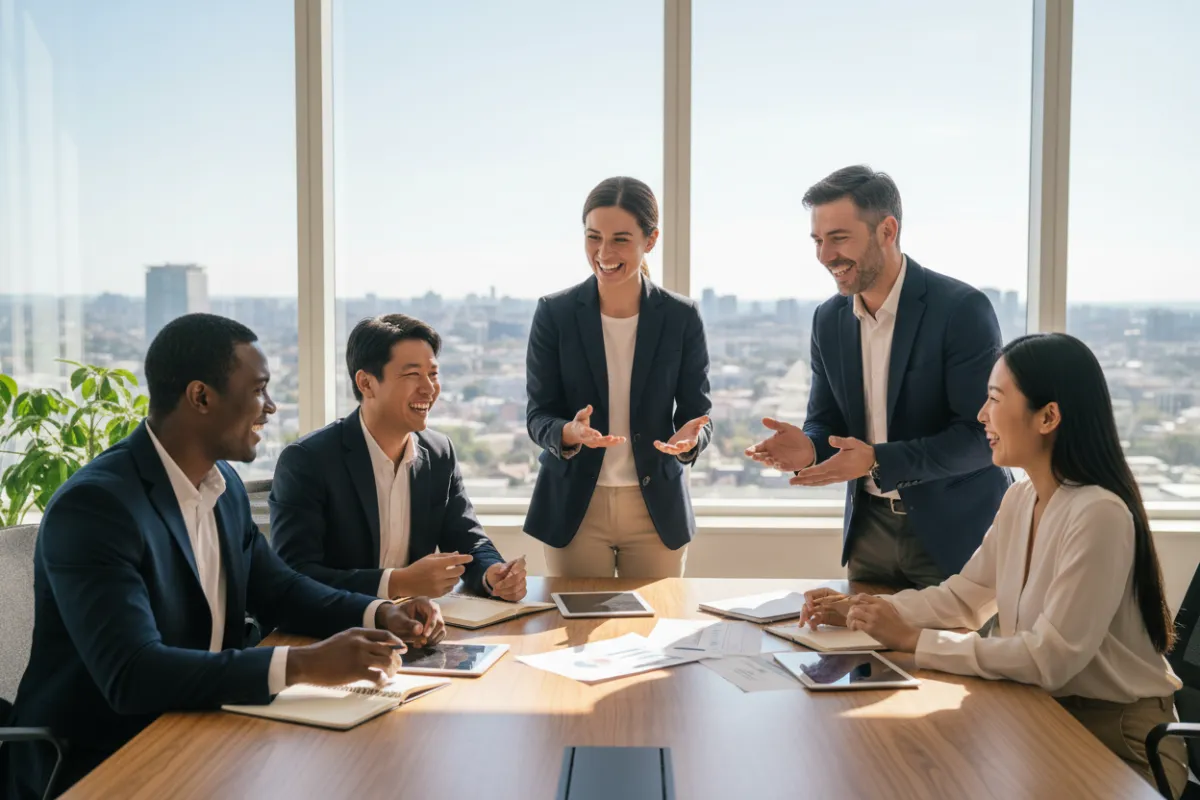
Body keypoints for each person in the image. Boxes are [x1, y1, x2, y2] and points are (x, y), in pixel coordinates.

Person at [2, 314, 445, 799]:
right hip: (105, 757)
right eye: (258, 390)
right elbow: (133, 675)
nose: (271, 407)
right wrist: (301, 665)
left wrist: (382, 612)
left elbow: (280, 589)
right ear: (201, 397)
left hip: (210, 725)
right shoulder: (98, 507)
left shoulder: (223, 485)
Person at [801, 333, 1188, 796]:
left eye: (995, 399)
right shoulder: (1022, 496)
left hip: (1118, 742)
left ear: (1048, 416)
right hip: (1043, 716)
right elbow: (963, 599)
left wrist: (914, 640)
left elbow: (1049, 660)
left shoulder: (1098, 513)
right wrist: (862, 609)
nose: (982, 415)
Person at [745, 165, 1009, 589]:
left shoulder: (961, 310)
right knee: (858, 656)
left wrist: (876, 460)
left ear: (887, 230)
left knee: (946, 657)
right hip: (870, 536)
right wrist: (808, 449)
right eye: (818, 240)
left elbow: (982, 439)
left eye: (839, 237)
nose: (825, 255)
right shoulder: (828, 320)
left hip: (957, 536)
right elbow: (825, 421)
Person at [524, 176, 712, 578]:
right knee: (569, 636)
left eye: (621, 239)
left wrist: (690, 441)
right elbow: (538, 415)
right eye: (594, 237)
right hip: (574, 507)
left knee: (658, 632)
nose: (603, 253)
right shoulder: (554, 314)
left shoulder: (681, 317)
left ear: (651, 239)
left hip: (655, 509)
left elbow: (697, 414)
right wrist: (568, 433)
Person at [271, 314, 524, 602]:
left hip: (416, 627)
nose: (429, 388)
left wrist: (492, 574)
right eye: (413, 374)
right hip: (334, 632)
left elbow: (468, 540)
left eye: (433, 374)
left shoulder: (439, 453)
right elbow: (295, 575)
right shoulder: (308, 461)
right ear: (366, 383)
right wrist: (396, 583)